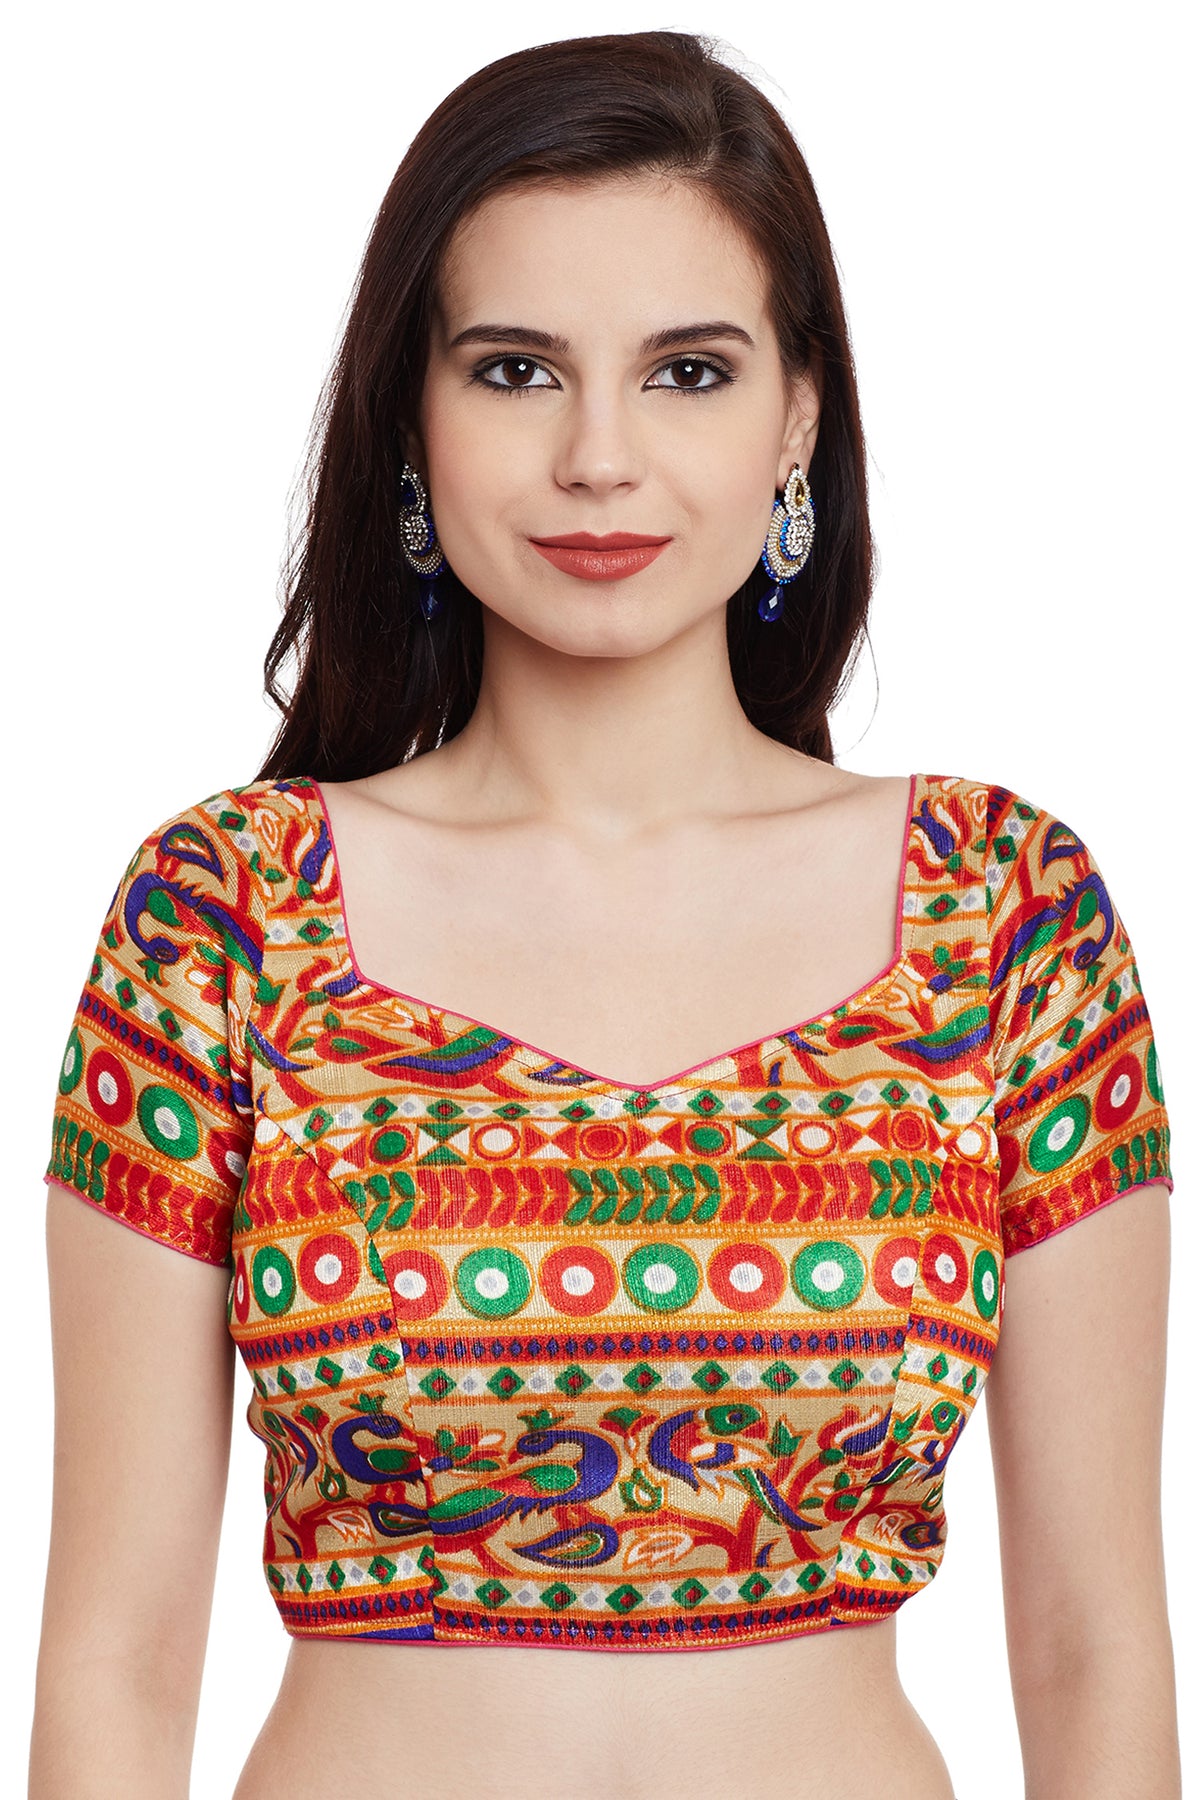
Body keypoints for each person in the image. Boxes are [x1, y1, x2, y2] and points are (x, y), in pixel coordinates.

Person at [31, 28, 1180, 1800]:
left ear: (800, 415)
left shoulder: (1006, 913)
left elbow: (1095, 1642)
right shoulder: (225, 917)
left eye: (687, 373)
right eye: (514, 370)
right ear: (411, 418)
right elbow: (115, 1653)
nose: (597, 457)